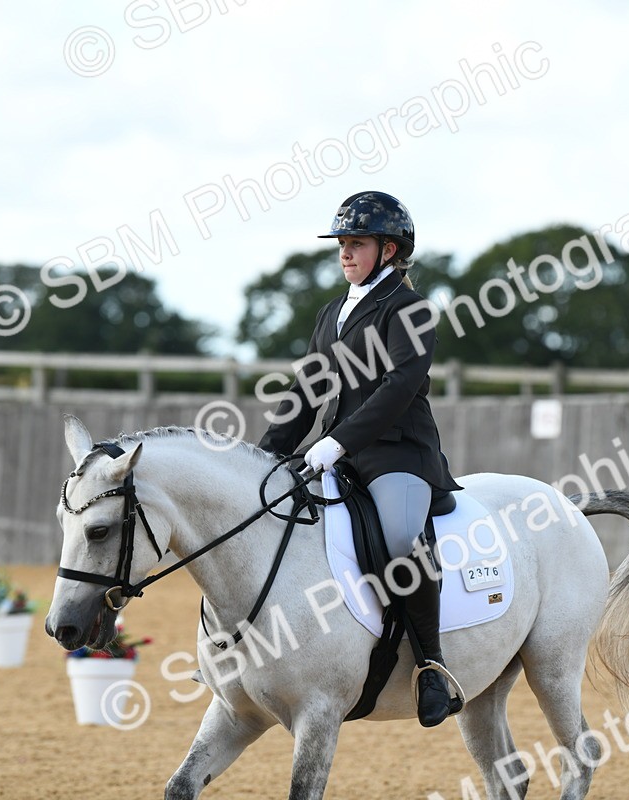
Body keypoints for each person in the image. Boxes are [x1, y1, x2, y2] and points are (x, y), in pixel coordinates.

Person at [258, 191, 463, 727]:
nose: (345, 253)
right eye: (343, 245)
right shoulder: (332, 312)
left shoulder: (411, 309)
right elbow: (308, 387)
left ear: (389, 249)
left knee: (400, 539)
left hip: (399, 453)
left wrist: (337, 442)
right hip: (342, 451)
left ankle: (432, 667)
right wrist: (265, 454)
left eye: (356, 244)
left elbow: (398, 388)